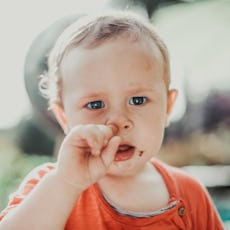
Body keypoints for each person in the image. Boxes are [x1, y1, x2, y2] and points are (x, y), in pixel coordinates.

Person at [0, 11, 224, 230]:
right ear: (64, 118)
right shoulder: (51, 187)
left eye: (137, 100)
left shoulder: (190, 193)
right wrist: (67, 183)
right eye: (95, 105)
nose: (119, 121)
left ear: (167, 107)